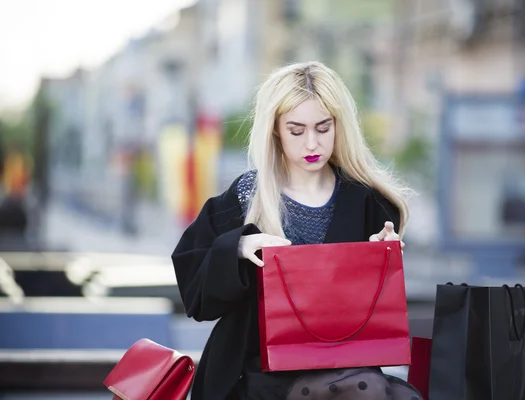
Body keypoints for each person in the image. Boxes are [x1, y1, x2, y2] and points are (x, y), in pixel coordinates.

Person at [172, 61, 421, 400]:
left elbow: (375, 311)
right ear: (275, 129)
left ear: (339, 126)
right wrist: (239, 248)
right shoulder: (248, 195)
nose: (311, 144)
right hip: (260, 369)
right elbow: (197, 299)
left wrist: (382, 258)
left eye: (323, 128)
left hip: (345, 363)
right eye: (296, 130)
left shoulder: (367, 201)